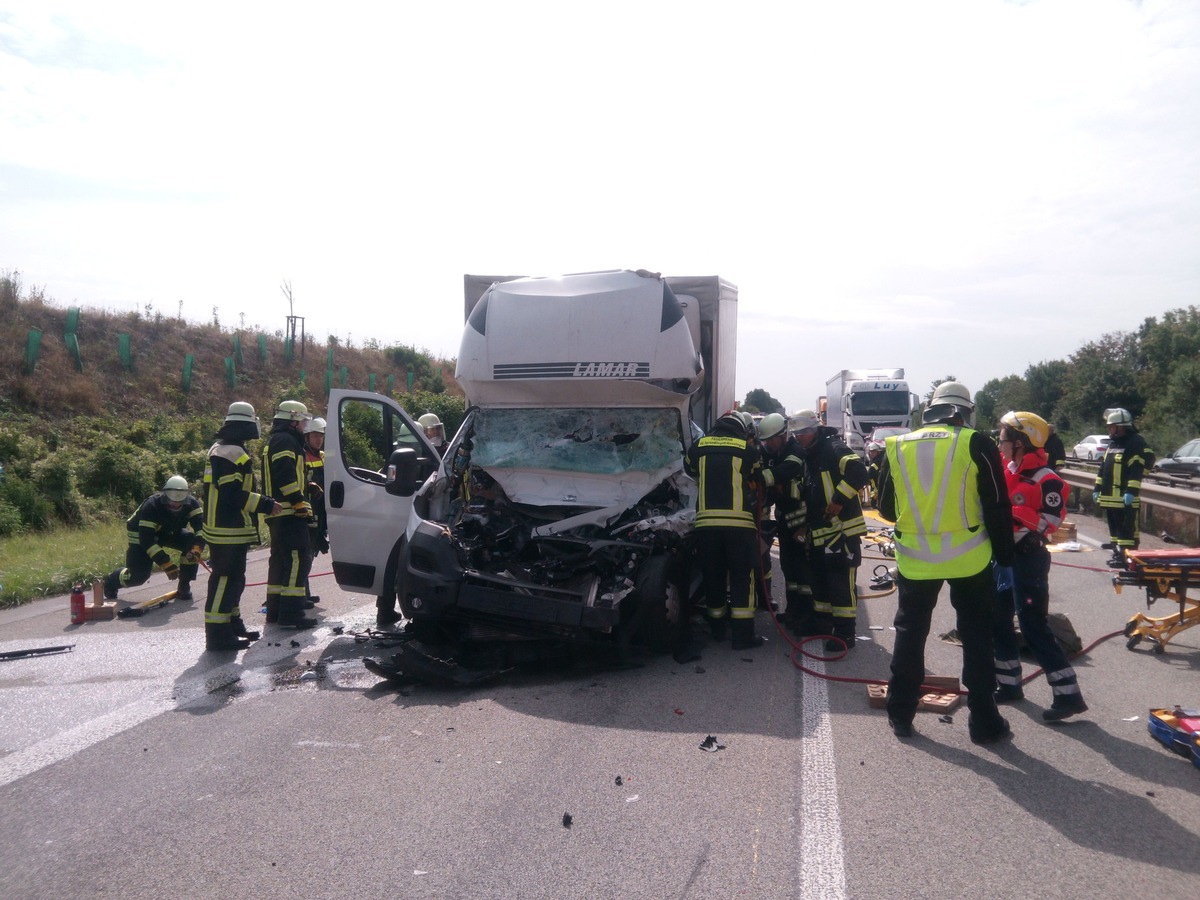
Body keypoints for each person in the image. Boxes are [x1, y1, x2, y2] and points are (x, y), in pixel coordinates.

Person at [876, 381, 1015, 743]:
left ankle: (901, 713)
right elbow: (999, 505)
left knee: (910, 634)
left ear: (930, 408)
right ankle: (984, 723)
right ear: (966, 411)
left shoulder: (898, 445)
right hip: (969, 560)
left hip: (915, 561)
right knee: (976, 638)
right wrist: (1005, 557)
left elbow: (886, 508)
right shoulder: (976, 442)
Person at [991, 411, 1087, 720]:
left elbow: (1050, 522)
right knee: (999, 620)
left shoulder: (1049, 480)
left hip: (1028, 558)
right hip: (1003, 558)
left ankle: (1068, 695)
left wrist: (1012, 512)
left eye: (1003, 438)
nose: (1000, 443)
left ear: (1021, 443)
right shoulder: (1006, 468)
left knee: (1033, 626)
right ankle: (1009, 685)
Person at [201, 402, 281, 652]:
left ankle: (233, 625)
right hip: (226, 529)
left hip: (230, 529)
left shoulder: (227, 449)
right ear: (247, 423)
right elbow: (232, 494)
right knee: (225, 580)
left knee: (235, 580)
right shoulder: (230, 453)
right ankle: (218, 635)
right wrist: (267, 504)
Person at [683, 411, 766, 650]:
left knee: (713, 577)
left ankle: (717, 629)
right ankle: (742, 636)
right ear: (741, 428)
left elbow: (690, 471)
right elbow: (756, 478)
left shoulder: (699, 446)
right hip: (739, 526)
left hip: (707, 526)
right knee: (742, 578)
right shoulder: (746, 449)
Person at [792, 409, 870, 652]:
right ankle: (822, 624)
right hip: (820, 533)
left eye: (802, 432)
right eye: (795, 434)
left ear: (815, 430)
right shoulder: (810, 456)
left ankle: (845, 634)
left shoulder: (832, 448)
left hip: (842, 532)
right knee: (820, 582)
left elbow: (859, 472)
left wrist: (838, 499)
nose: (798, 438)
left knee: (840, 585)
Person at [104, 475, 205, 603]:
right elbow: (147, 540)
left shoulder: (191, 503)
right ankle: (111, 581)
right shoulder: (151, 506)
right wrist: (165, 563)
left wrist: (197, 549)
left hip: (168, 532)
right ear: (164, 493)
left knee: (191, 542)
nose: (175, 504)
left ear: (186, 495)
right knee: (139, 576)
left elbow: (201, 529)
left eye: (180, 500)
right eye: (171, 499)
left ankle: (184, 585)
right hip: (140, 534)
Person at [262, 400, 318, 629]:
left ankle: (275, 611)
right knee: (298, 560)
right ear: (293, 421)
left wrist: (307, 486)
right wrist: (298, 502)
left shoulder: (279, 439)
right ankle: (292, 614)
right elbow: (284, 475)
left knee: (280, 562)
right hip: (287, 512)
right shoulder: (286, 440)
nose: (305, 425)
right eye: (303, 421)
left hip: (279, 513)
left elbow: (286, 473)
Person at [757, 412, 814, 635]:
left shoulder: (795, 452)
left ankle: (806, 616)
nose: (769, 443)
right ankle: (793, 611)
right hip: (784, 520)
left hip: (801, 521)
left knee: (803, 571)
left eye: (772, 439)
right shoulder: (772, 452)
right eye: (766, 440)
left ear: (783, 435)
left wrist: (762, 479)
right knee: (789, 569)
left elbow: (786, 471)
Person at [1094, 407, 1153, 569]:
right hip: (1110, 498)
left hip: (1124, 498)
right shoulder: (1113, 444)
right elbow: (1103, 467)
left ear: (1122, 427)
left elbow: (1136, 469)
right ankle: (1118, 553)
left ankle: (1127, 557)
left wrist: (1131, 492)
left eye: (1112, 426)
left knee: (1126, 531)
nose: (1109, 429)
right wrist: (1097, 487)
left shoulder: (1135, 443)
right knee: (1115, 530)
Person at [302, 416, 329, 605]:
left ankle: (305, 591)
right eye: (314, 435)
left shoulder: (322, 456)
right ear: (306, 436)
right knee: (305, 552)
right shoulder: (301, 455)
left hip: (321, 511)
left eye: (321, 435)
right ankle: (302, 593)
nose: (318, 439)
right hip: (307, 511)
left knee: (311, 551)